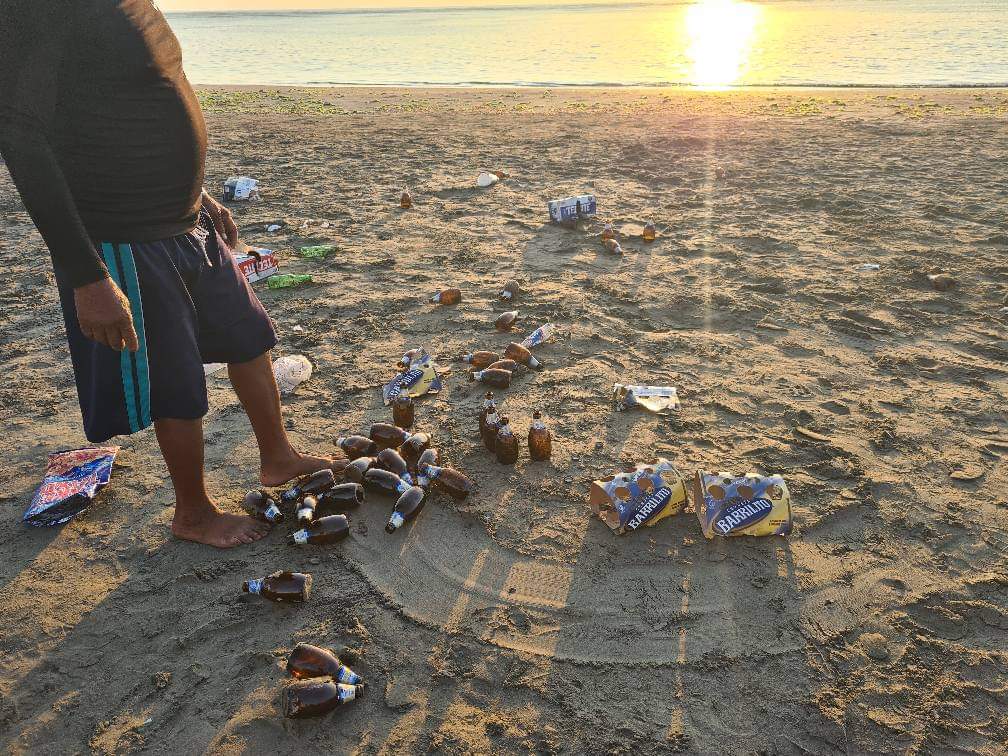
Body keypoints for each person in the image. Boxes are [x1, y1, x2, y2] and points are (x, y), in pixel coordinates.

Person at [0, 1, 340, 548]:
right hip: (126, 234)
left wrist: (197, 192)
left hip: (186, 220)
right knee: (173, 379)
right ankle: (193, 513)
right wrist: (87, 276)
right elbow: (20, 135)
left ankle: (277, 456)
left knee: (249, 337)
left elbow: (135, 103)